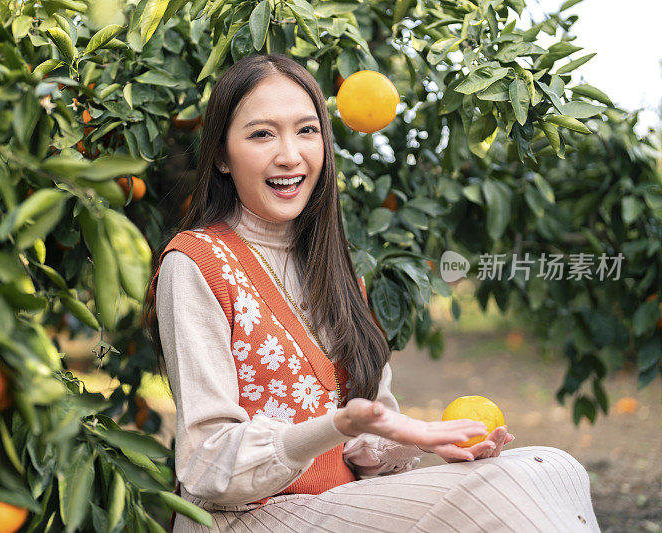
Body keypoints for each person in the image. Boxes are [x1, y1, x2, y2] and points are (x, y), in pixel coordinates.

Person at [143, 53, 601, 532]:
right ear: (220, 155)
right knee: (496, 497)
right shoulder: (197, 262)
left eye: (306, 130)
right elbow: (207, 465)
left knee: (551, 467)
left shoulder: (338, 272)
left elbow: (369, 445)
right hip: (244, 518)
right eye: (262, 134)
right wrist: (339, 425)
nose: (289, 154)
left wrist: (425, 441)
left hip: (339, 505)